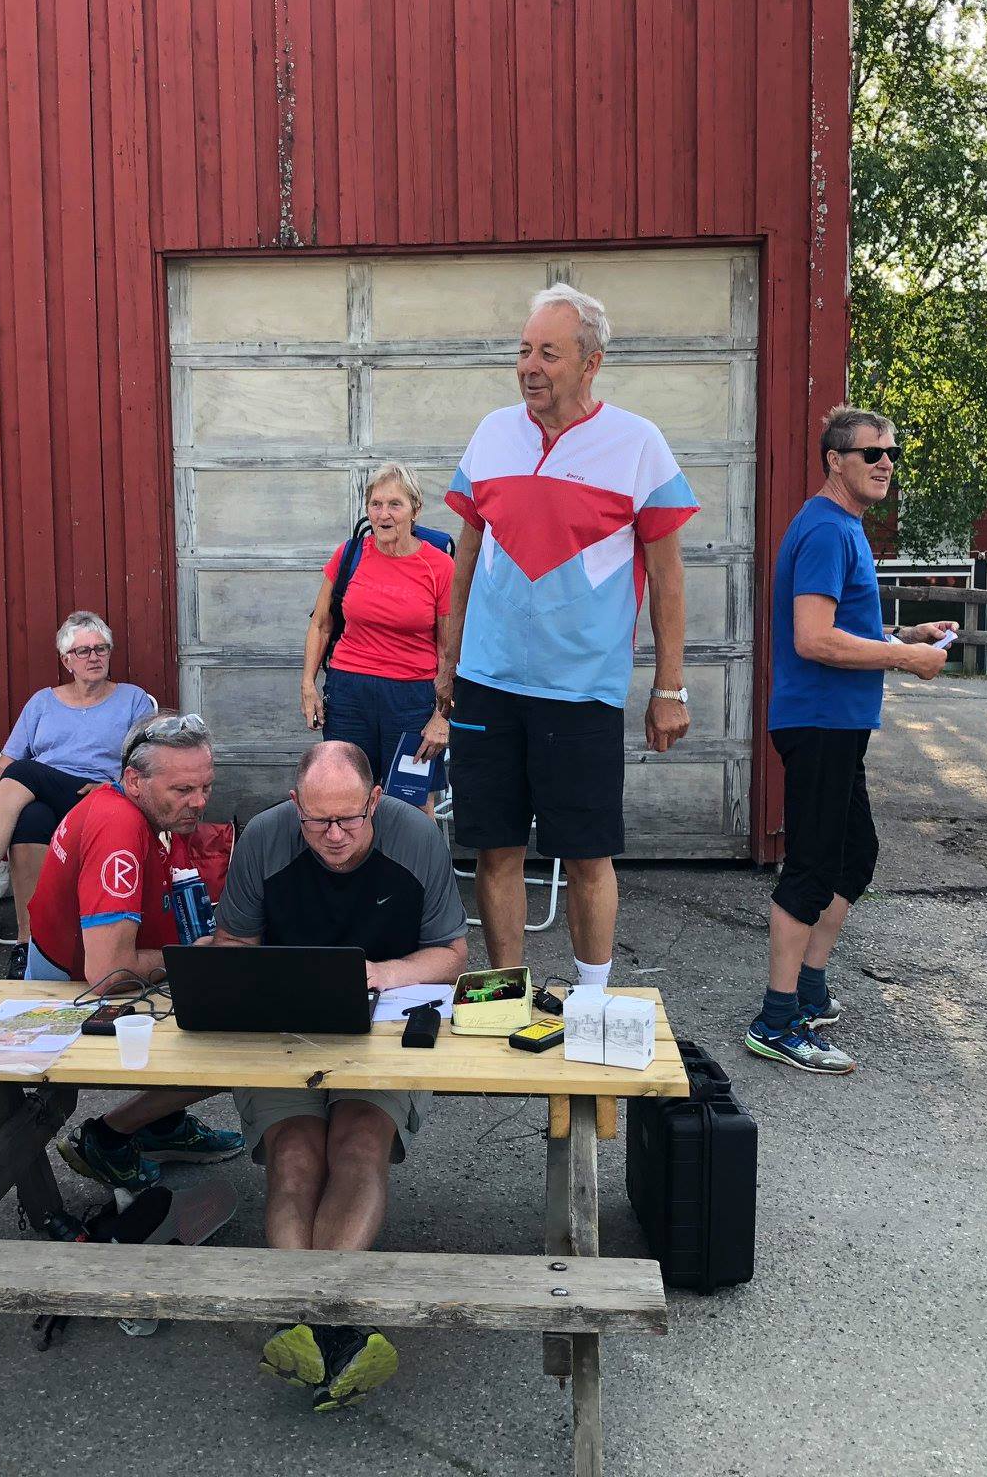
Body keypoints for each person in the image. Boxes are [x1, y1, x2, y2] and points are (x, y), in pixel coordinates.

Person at [438, 283, 697, 987]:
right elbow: (467, 553)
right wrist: (449, 658)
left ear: (591, 362)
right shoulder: (493, 433)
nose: (530, 367)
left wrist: (670, 687)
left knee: (586, 854)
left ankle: (591, 999)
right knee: (494, 849)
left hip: (582, 690)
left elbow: (668, 576)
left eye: (548, 353)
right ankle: (507, 992)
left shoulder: (637, 443)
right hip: (488, 681)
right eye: (524, 350)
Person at [214, 741, 468, 1411]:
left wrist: (380, 973)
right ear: (294, 805)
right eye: (317, 821)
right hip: (282, 1028)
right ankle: (333, 1330)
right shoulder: (264, 838)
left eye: (349, 820)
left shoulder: (416, 838)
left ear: (375, 801)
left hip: (382, 1026)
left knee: (358, 1144)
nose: (333, 835)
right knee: (295, 1154)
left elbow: (450, 953)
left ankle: (307, 1325)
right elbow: (232, 945)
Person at [748, 407, 954, 1076]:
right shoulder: (827, 530)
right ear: (835, 460)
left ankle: (808, 987)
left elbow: (844, 628)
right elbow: (813, 639)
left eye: (892, 452)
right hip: (819, 721)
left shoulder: (843, 527)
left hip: (837, 722)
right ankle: (777, 1020)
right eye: (871, 453)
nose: (886, 463)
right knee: (811, 867)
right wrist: (905, 660)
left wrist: (906, 636)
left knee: (854, 856)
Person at [25, 711, 245, 1189]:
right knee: (240, 1040)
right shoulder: (118, 826)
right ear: (134, 780)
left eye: (205, 786)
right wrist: (193, 958)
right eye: (183, 790)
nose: (199, 801)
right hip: (72, 993)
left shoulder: (143, 808)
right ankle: (108, 1136)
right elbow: (109, 971)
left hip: (76, 968)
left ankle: (162, 1124)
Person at [0, 611, 156, 964]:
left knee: (25, 771)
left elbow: (148, 762)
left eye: (101, 648)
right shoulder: (42, 703)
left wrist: (115, 787)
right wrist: (5, 801)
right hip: (44, 797)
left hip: (100, 798)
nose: (94, 657)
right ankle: (29, 947)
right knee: (29, 819)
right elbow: (1, 768)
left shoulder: (132, 700)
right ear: (66, 660)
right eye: (83, 651)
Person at [299, 464, 453, 809]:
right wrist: (308, 685)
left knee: (411, 804)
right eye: (376, 504)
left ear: (415, 510)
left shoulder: (440, 567)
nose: (384, 514)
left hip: (412, 701)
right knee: (344, 797)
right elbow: (321, 624)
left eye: (395, 504)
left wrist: (442, 717)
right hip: (348, 697)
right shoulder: (350, 554)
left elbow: (449, 650)